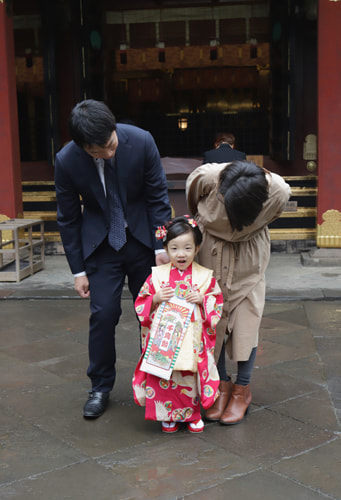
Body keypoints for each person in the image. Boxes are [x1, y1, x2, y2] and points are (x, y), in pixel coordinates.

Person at [54, 99, 172, 419]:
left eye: (110, 145)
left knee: (153, 314)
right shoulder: (66, 160)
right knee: (104, 314)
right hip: (101, 246)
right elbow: (67, 218)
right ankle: (100, 386)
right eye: (98, 152)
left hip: (143, 242)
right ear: (81, 147)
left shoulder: (141, 141)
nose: (108, 154)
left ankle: (157, 382)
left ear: (114, 128)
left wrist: (162, 247)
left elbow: (158, 197)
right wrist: (78, 270)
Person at [186, 160, 291, 425]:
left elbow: (276, 210)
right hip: (211, 249)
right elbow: (191, 199)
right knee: (213, 319)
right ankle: (220, 385)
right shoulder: (208, 177)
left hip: (249, 259)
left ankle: (242, 390)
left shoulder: (277, 190)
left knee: (247, 322)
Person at [132, 216, 223, 434]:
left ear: (197, 248)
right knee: (165, 374)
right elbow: (141, 304)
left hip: (191, 336)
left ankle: (192, 415)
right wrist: (154, 299)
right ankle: (167, 416)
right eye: (174, 248)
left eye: (187, 248)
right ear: (165, 248)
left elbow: (216, 303)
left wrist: (202, 300)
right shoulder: (157, 277)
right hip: (165, 336)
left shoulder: (204, 277)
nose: (180, 254)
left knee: (188, 375)